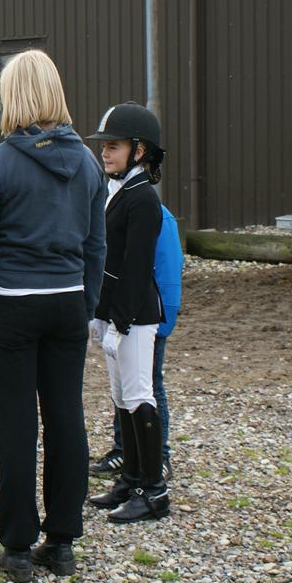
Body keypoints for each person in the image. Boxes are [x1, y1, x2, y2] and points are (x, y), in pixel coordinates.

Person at [0, 50, 107, 583]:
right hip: (67, 302)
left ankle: (18, 547)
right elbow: (96, 245)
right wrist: (85, 304)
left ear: (11, 96)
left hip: (10, 305)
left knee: (16, 427)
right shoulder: (88, 163)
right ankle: (63, 541)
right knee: (67, 417)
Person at [84, 102, 171, 524]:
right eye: (104, 146)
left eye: (114, 146)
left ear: (139, 151)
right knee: (121, 397)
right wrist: (99, 314)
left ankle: (154, 490)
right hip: (115, 313)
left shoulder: (143, 201)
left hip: (136, 315)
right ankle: (131, 478)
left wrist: (118, 320)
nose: (105, 153)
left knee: (139, 396)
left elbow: (135, 268)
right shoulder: (118, 193)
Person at [89, 204, 183, 481]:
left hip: (147, 317)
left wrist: (164, 321)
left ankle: (159, 457)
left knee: (149, 385)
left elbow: (168, 268)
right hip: (120, 315)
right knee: (122, 386)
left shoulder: (158, 215)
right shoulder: (113, 209)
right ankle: (125, 451)